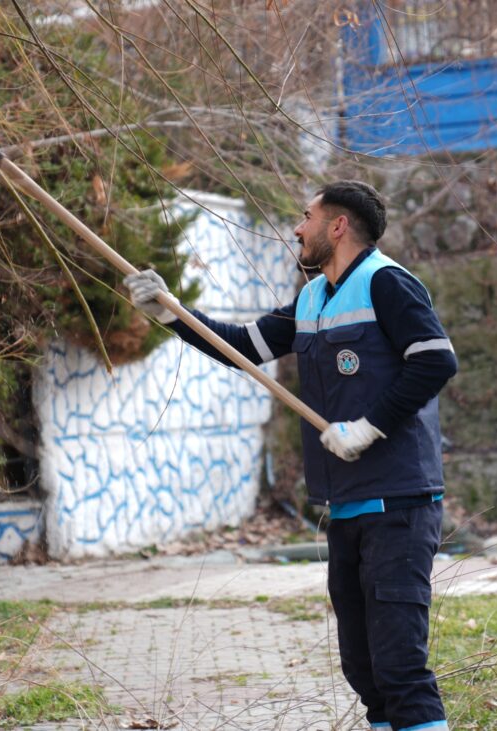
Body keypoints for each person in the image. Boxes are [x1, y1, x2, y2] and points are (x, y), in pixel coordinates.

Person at [124, 180, 457, 731]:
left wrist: (369, 427)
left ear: (338, 226)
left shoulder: (386, 282)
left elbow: (436, 359)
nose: (297, 229)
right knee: (365, 671)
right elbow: (243, 346)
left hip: (398, 504)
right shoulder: (312, 298)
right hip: (345, 505)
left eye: (307, 217)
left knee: (400, 668)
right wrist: (172, 314)